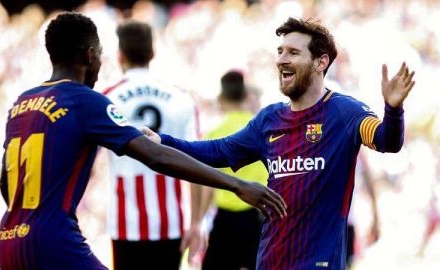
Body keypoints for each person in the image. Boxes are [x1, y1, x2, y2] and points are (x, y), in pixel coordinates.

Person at [0, 12, 286, 270]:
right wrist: (237, 184)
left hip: (9, 240)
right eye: (99, 54)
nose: (101, 62)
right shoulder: (86, 100)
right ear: (89, 56)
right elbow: (156, 156)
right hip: (57, 241)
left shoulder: (22, 103)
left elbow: (4, 184)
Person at [144, 17, 416, 269]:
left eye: (293, 53)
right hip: (271, 260)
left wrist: (393, 110)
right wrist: (162, 141)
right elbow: (218, 152)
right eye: (280, 51)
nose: (281, 60)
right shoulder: (269, 120)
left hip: (318, 264)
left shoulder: (346, 112)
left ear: (321, 62)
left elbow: (386, 141)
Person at [102, 20, 205, 270]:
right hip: (170, 221)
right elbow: (198, 162)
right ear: (152, 53)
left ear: (120, 55)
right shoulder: (181, 97)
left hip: (126, 222)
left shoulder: (107, 98)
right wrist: (196, 223)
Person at [200, 70, 268, 270]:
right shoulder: (262, 131)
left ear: (221, 98)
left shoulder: (213, 133)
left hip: (226, 219)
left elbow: (206, 185)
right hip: (257, 216)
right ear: (246, 95)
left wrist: (199, 220)